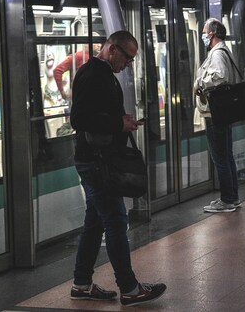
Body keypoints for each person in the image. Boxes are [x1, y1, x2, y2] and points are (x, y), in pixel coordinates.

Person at [69, 30, 166, 306]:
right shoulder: (93, 74)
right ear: (112, 49)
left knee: (95, 222)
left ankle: (82, 283)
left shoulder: (102, 74)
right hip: (97, 162)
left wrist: (121, 121)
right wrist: (117, 124)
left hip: (97, 159)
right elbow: (79, 118)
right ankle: (129, 288)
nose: (128, 65)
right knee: (115, 220)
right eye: (128, 58)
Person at [194, 18, 241, 213]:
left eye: (205, 32)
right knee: (226, 155)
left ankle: (227, 200)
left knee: (220, 157)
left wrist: (201, 84)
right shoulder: (223, 50)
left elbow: (220, 75)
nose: (204, 35)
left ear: (212, 34)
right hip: (222, 111)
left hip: (215, 112)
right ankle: (232, 196)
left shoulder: (218, 53)